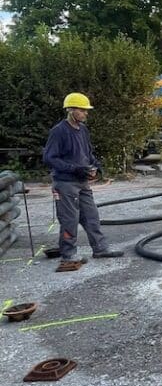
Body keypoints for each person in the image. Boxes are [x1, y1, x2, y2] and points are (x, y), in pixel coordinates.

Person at [43, 93, 124, 271]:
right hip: (65, 183)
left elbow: (88, 154)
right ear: (71, 110)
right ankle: (68, 254)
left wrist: (96, 166)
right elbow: (49, 158)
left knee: (91, 216)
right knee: (69, 220)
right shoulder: (59, 131)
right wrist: (74, 169)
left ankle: (100, 249)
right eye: (83, 110)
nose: (86, 113)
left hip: (81, 182)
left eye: (86, 110)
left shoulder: (83, 130)